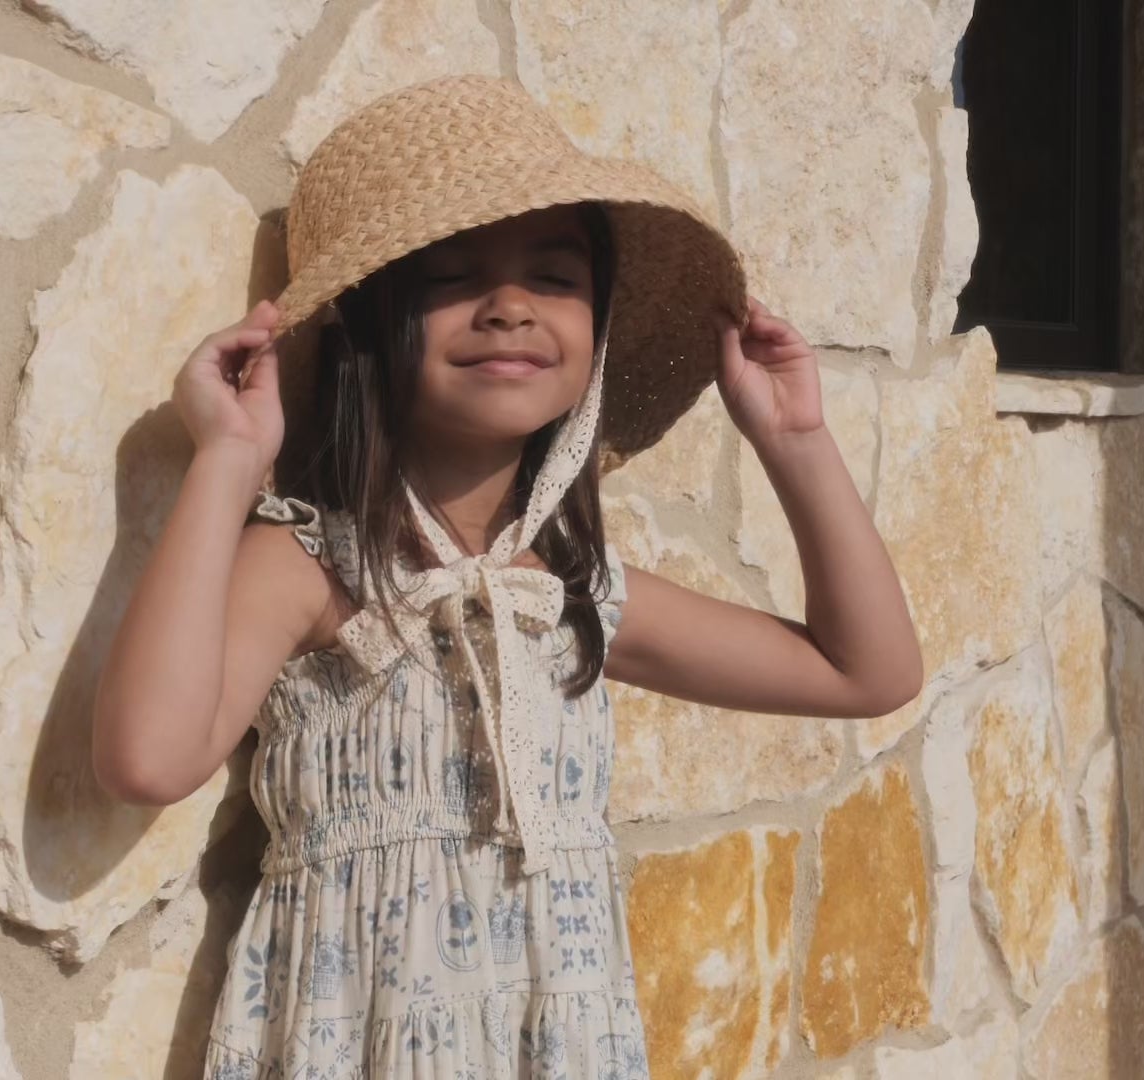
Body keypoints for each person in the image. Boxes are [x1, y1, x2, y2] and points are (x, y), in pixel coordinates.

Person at [92, 76, 922, 1079]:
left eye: (555, 276)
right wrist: (227, 459)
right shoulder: (315, 569)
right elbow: (146, 759)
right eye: (453, 276)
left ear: (597, 329)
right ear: (368, 324)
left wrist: (796, 441)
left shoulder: (566, 597)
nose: (511, 308)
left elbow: (866, 672)